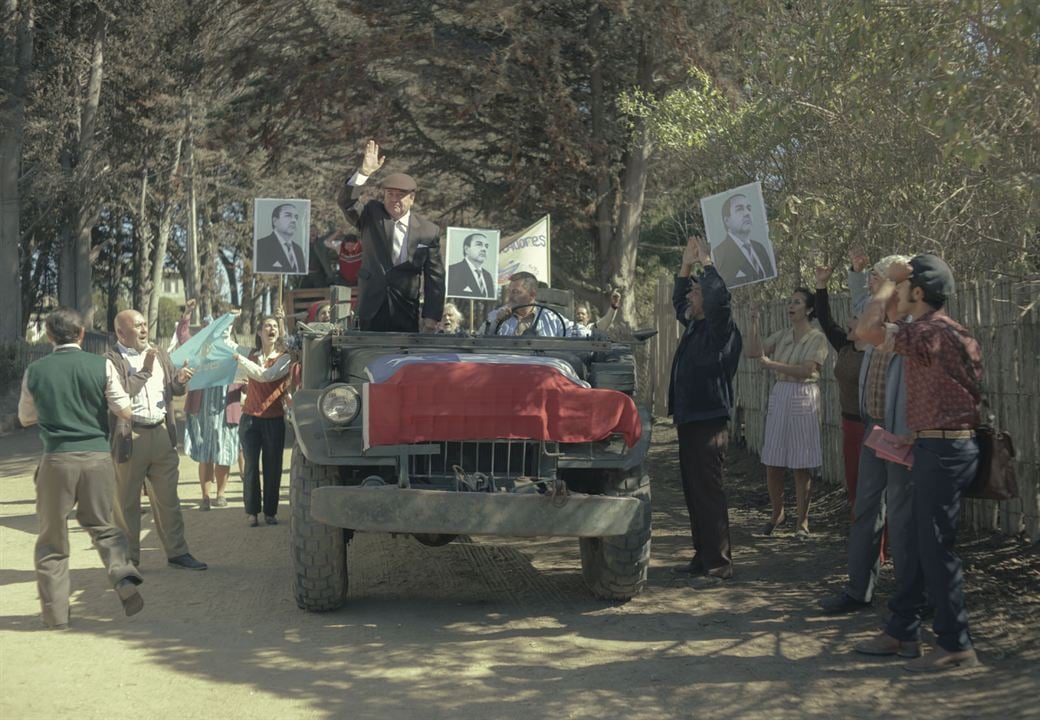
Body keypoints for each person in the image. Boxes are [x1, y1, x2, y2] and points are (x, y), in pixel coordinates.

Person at [853, 254, 982, 672]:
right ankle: (902, 630)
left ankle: (955, 643)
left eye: (905, 287)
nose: (898, 293)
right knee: (922, 544)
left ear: (919, 293)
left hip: (942, 454)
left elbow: (865, 331)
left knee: (936, 549)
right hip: (936, 447)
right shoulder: (947, 332)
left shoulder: (929, 333)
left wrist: (887, 283)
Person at [18, 307, 144, 628]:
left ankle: (56, 616)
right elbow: (124, 411)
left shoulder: (36, 370)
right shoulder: (101, 365)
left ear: (48, 337)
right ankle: (121, 573)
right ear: (82, 334)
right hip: (97, 458)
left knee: (52, 540)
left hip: (56, 460)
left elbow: (25, 418)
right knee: (103, 526)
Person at [818, 253, 914, 616]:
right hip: (874, 429)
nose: (874, 283)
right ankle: (859, 590)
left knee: (902, 519)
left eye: (880, 278)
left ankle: (909, 599)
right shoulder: (880, 323)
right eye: (874, 277)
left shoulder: (908, 329)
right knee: (865, 511)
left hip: (901, 435)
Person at [106, 309, 207, 571]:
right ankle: (129, 559)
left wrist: (180, 381)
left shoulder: (160, 353)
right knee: (126, 502)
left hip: (162, 433)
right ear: (120, 332)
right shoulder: (112, 359)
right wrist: (146, 370)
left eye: (144, 324)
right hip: (131, 436)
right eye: (136, 326)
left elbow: (172, 387)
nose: (143, 330)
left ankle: (178, 553)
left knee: (168, 500)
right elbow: (122, 394)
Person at [668, 236, 743, 581]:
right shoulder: (696, 325)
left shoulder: (720, 329)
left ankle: (719, 562)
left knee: (709, 493)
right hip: (690, 418)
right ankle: (703, 555)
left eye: (696, 293)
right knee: (694, 491)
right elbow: (677, 301)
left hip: (709, 420)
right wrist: (686, 265)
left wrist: (709, 265)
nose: (691, 297)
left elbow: (718, 299)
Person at [744, 288, 830, 539]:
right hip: (780, 393)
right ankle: (777, 513)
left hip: (803, 395)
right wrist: (754, 321)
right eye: (789, 302)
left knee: (801, 463)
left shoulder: (817, 338)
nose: (791, 306)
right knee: (773, 460)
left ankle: (803, 521)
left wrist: (772, 365)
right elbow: (752, 351)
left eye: (797, 302)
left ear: (809, 309)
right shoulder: (782, 335)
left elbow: (806, 370)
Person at [336, 139, 445, 331]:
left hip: (406, 310)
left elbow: (435, 277)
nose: (394, 200)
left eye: (400, 195)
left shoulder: (428, 231)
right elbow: (347, 203)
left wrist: (431, 316)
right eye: (390, 194)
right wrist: (364, 173)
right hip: (371, 308)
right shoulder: (372, 215)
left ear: (411, 198)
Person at [176, 300, 243, 511]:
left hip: (226, 406)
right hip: (202, 406)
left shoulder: (233, 351)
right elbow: (183, 336)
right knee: (205, 452)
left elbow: (245, 376)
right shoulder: (199, 351)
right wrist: (187, 313)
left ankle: (220, 494)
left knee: (224, 452)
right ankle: (205, 496)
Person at [232, 313, 293, 527]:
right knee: (250, 467)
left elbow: (265, 376)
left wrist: (242, 360)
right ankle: (252, 512)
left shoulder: (284, 358)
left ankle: (270, 512)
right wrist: (229, 320)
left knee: (273, 467)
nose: (271, 329)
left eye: (275, 326)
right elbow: (228, 345)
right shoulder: (251, 354)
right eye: (267, 326)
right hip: (249, 419)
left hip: (274, 420)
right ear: (259, 332)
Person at [482, 272, 590, 337]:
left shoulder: (551, 318)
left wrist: (594, 334)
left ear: (532, 295)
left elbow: (574, 331)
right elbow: (480, 339)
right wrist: (496, 321)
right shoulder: (495, 316)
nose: (510, 297)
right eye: (509, 291)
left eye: (516, 292)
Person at [711, 192, 776, 288]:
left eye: (749, 208)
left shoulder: (760, 248)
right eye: (739, 209)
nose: (747, 213)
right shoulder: (719, 253)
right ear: (727, 221)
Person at [255, 203, 307, 275]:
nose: (294, 220)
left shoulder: (298, 250)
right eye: (288, 215)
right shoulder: (261, 246)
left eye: (296, 217)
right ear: (275, 221)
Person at [447, 232, 496, 299]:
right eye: (479, 244)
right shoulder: (453, 271)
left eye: (486, 246)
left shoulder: (487, 276)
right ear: (466, 249)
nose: (484, 249)